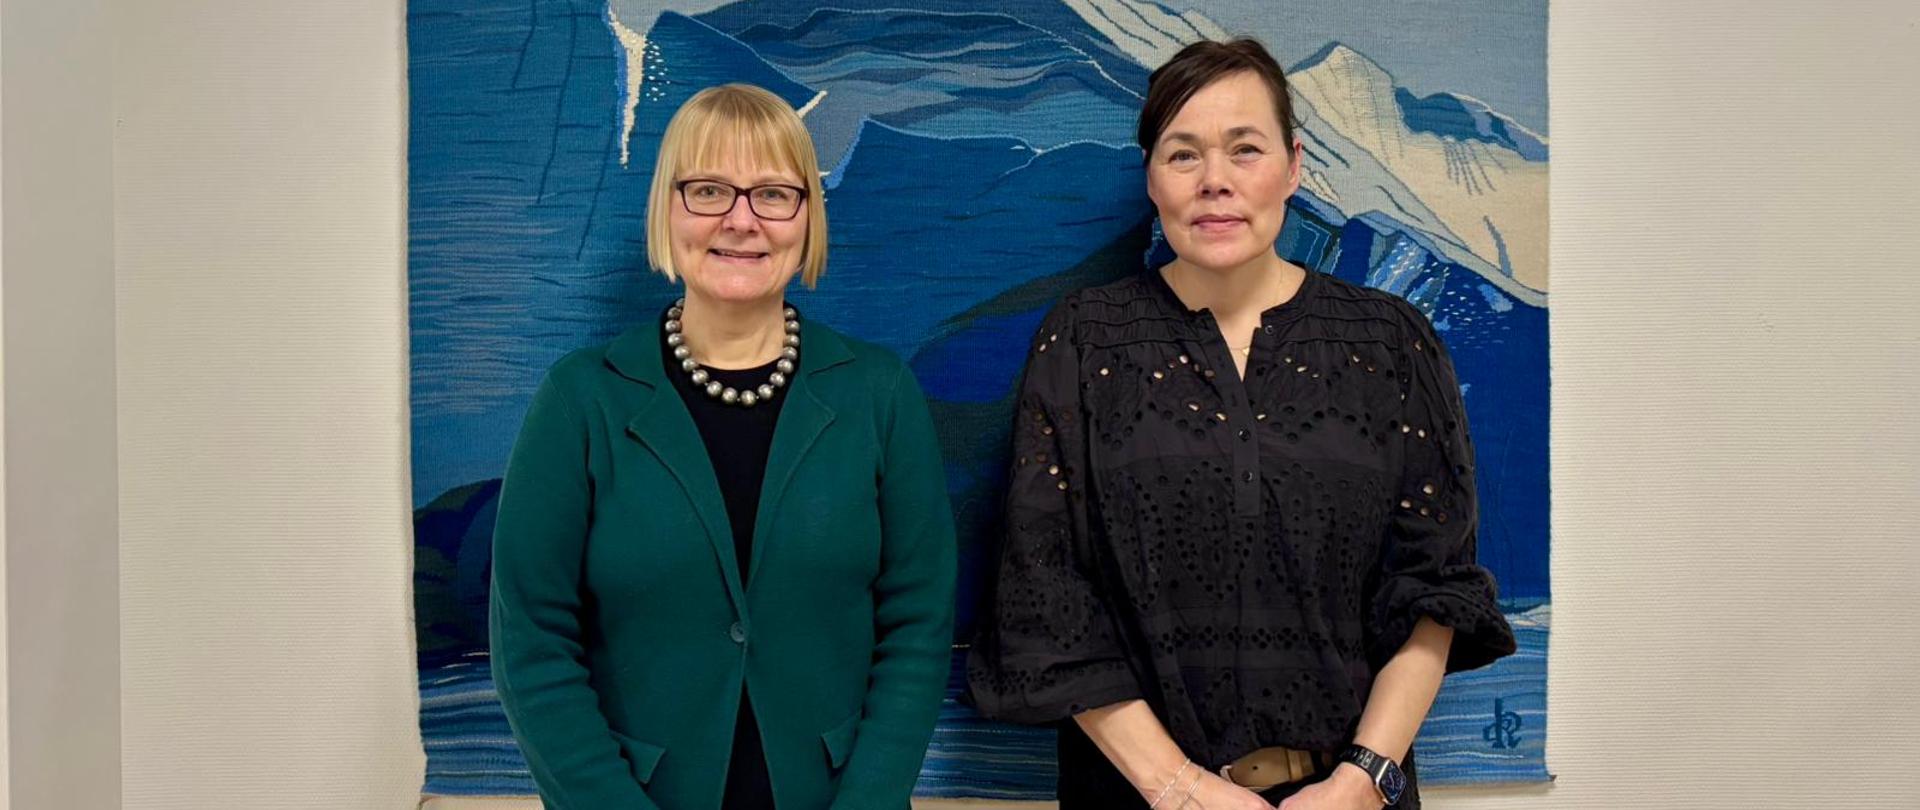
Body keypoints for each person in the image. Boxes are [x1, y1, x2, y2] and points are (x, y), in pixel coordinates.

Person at [967, 39, 1516, 809]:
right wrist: (1180, 788)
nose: (1215, 182)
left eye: (1245, 149)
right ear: (1151, 176)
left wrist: (1365, 779)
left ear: (1293, 166)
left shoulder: (1391, 340)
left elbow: (1434, 588)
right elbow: (1045, 590)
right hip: (1137, 794)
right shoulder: (1086, 337)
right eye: (1183, 154)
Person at [490, 83, 957, 810]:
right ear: (667, 209)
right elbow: (532, 643)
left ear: (807, 217)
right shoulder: (581, 400)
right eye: (708, 189)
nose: (741, 220)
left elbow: (918, 624)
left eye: (773, 193)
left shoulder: (879, 395)